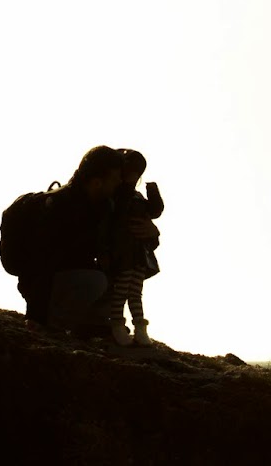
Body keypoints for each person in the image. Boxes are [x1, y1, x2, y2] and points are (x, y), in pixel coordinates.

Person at [19, 145, 124, 334]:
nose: (119, 182)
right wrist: (36, 316)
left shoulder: (102, 207)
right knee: (96, 281)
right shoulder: (61, 207)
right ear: (97, 182)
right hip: (43, 283)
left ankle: (91, 326)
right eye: (115, 178)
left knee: (113, 275)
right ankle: (54, 325)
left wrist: (151, 233)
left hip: (65, 276)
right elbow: (40, 263)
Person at [99, 149, 163, 346]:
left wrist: (153, 191)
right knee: (121, 291)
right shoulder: (118, 195)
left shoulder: (135, 197)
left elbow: (155, 211)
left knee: (135, 293)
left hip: (137, 254)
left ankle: (139, 328)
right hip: (124, 254)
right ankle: (117, 325)